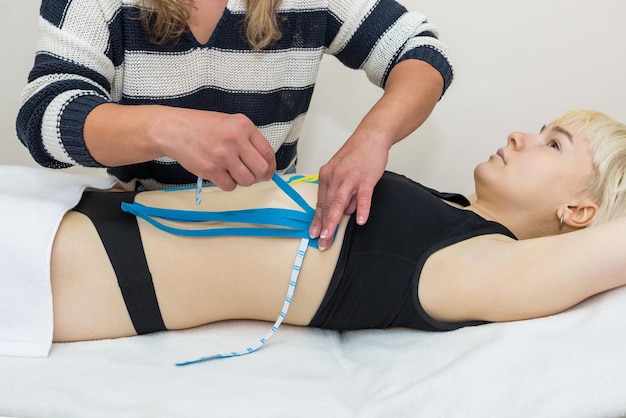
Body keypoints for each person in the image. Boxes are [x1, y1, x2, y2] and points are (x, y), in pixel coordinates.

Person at [2, 108, 622, 356]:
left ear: (580, 212)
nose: (520, 135)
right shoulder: (453, 212)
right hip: (83, 214)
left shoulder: (487, 265)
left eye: (553, 142)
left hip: (80, 266)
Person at [15, 0, 451, 251]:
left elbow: (422, 52)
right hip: (143, 227)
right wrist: (167, 128)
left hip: (266, 232)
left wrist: (372, 137)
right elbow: (42, 114)